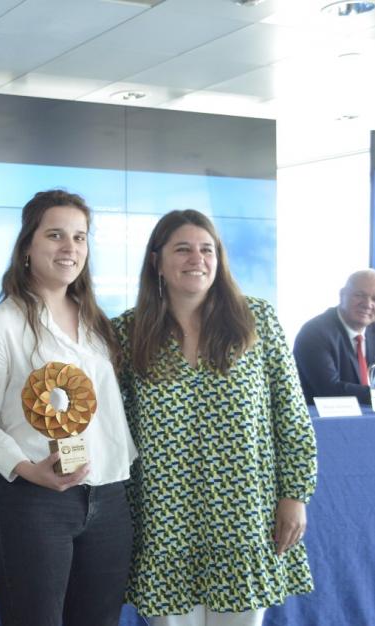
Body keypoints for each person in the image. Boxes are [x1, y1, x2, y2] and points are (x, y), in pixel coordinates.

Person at [114, 209, 317, 626]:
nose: (197, 259)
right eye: (183, 249)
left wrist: (294, 496)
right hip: (163, 521)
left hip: (244, 516)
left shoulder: (256, 320)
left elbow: (291, 413)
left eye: (207, 250)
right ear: (157, 261)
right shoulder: (127, 332)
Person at [0, 189, 137, 626]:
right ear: (27, 247)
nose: (70, 248)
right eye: (55, 235)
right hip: (34, 502)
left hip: (109, 497)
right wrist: (26, 467)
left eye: (79, 237)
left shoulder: (97, 325)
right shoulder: (1, 326)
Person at [293, 269, 375, 405]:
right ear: (342, 295)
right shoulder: (314, 333)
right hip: (325, 423)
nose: (367, 304)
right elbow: (329, 390)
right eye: (359, 295)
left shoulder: (372, 330)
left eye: (374, 299)